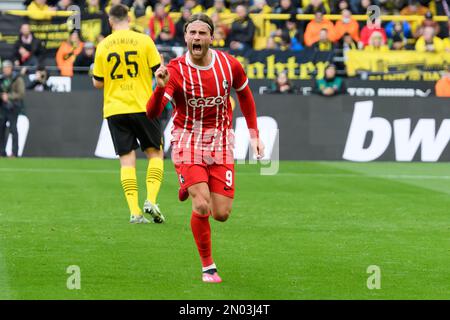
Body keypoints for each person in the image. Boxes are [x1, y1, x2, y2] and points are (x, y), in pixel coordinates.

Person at [146, 13, 265, 283]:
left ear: (212, 37)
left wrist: (254, 134)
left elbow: (244, 94)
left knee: (221, 213)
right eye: (192, 33)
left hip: (221, 141)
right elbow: (153, 113)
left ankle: (188, 183)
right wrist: (159, 87)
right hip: (187, 139)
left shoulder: (229, 65)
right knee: (201, 206)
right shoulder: (175, 71)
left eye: (202, 33)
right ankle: (208, 266)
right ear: (185, 37)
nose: (197, 37)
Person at [92, 4, 165, 224]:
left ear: (110, 20)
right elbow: (159, 72)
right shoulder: (144, 41)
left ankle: (135, 212)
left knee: (126, 161)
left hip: (115, 108)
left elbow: (98, 83)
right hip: (143, 105)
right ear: (129, 17)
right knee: (155, 153)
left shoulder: (103, 45)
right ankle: (151, 199)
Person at [0, 60, 25, 158]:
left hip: (13, 107)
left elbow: (21, 93)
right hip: (2, 107)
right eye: (3, 68)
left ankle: (14, 153)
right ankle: (2, 152)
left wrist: (9, 96)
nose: (4, 70)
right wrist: (2, 96)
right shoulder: (1, 79)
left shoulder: (17, 79)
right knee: (1, 130)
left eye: (6, 68)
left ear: (10, 68)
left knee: (13, 129)